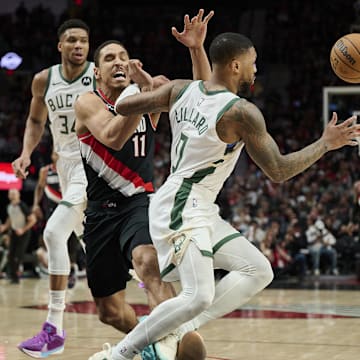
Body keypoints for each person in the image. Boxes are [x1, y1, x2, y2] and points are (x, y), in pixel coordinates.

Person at [110, 32, 360, 360]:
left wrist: (141, 84)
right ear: (236, 65)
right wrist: (326, 143)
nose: (256, 71)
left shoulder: (181, 88)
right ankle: (121, 353)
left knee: (258, 270)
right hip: (183, 204)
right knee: (199, 295)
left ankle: (173, 329)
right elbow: (279, 171)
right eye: (253, 64)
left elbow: (122, 105)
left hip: (194, 205)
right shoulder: (241, 112)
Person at [76, 9, 213, 360]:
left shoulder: (147, 93)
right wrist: (139, 94)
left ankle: (173, 343)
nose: (118, 62)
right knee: (109, 311)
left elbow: (204, 96)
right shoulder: (88, 102)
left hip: (140, 203)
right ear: (97, 72)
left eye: (123, 56)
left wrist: (196, 49)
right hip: (99, 213)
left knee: (147, 261)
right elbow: (111, 135)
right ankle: (151, 340)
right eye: (109, 58)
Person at [12, 18, 95, 358]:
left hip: (93, 164)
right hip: (65, 166)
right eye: (72, 40)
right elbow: (35, 120)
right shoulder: (44, 80)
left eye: (84, 41)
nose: (78, 46)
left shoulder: (99, 73)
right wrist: (25, 152)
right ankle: (149, 282)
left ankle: (54, 329)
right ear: (60, 45)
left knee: (53, 233)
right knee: (94, 240)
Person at [32, 150, 84, 287]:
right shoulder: (45, 171)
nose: (57, 155)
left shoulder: (72, 170)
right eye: (55, 153)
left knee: (73, 241)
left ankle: (72, 271)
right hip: (52, 209)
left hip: (69, 207)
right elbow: (39, 188)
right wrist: (35, 205)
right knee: (54, 239)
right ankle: (57, 274)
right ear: (52, 155)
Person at [0, 189, 37, 284]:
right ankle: (12, 276)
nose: (12, 195)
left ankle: (17, 275)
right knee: (10, 255)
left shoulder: (22, 206)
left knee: (18, 255)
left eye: (14, 193)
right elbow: (10, 218)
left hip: (24, 233)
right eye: (10, 194)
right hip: (13, 232)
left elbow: (33, 220)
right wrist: (4, 227)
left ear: (18, 195)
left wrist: (23, 229)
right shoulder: (9, 207)